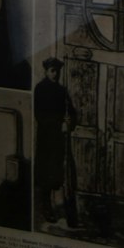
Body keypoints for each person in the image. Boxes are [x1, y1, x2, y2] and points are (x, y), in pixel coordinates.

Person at [34, 56, 78, 223]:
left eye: (57, 71)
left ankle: (61, 207)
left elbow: (72, 112)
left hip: (59, 141)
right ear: (46, 71)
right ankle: (47, 207)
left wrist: (70, 122)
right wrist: (58, 123)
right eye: (52, 71)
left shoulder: (62, 91)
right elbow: (40, 115)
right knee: (46, 176)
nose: (55, 74)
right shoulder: (39, 89)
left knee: (58, 174)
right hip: (47, 139)